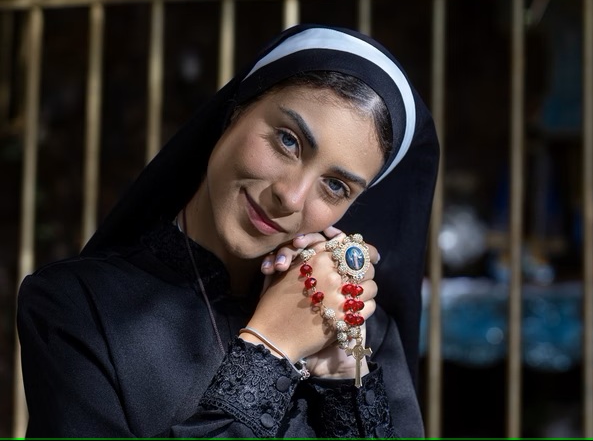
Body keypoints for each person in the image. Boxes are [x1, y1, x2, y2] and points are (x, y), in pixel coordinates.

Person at [16, 23, 439, 437]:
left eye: (335, 186)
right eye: (288, 140)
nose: (291, 197)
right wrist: (270, 350)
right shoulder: (79, 306)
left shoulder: (363, 335)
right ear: (235, 111)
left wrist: (344, 381)